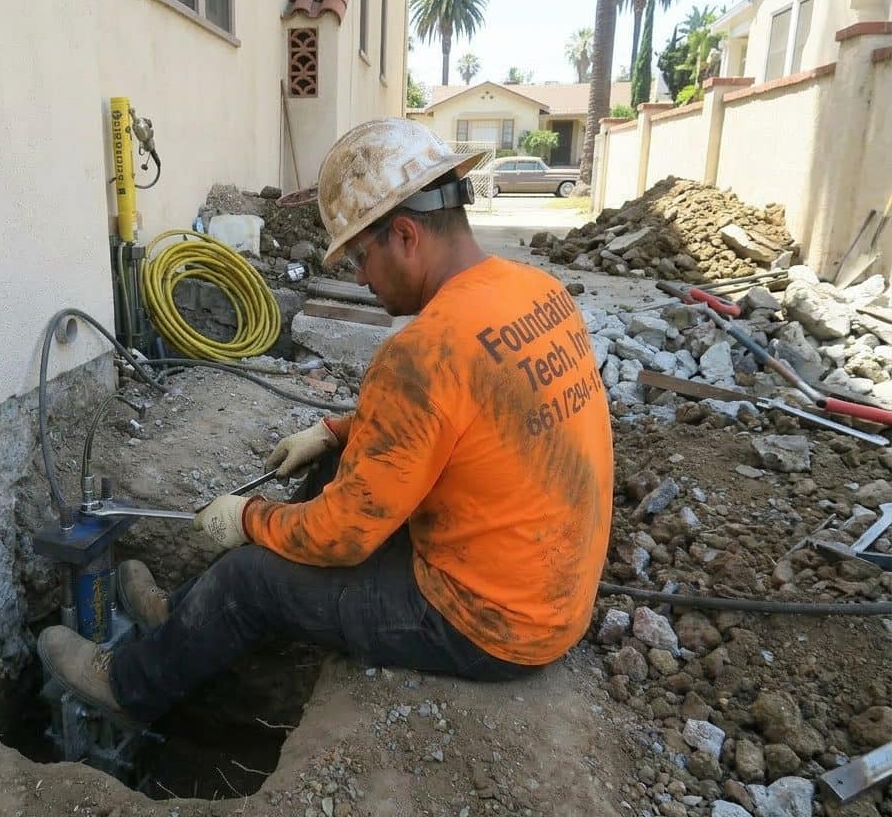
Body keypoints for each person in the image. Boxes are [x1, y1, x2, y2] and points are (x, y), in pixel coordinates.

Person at [38, 118, 614, 722]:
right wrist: (332, 432)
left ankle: (127, 685)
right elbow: (455, 419)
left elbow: (345, 536)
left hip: (487, 622)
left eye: (362, 257)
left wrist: (250, 519)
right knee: (338, 469)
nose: (361, 277)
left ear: (406, 235)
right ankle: (177, 617)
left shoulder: (424, 350)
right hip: (543, 586)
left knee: (250, 580)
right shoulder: (534, 290)